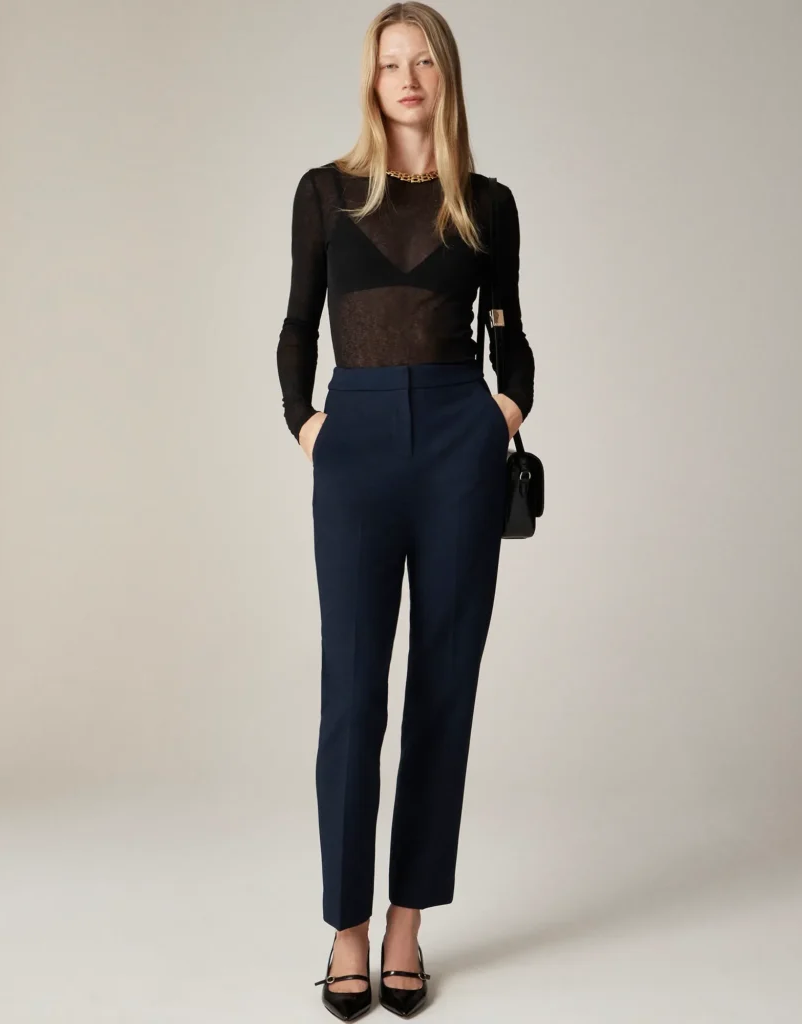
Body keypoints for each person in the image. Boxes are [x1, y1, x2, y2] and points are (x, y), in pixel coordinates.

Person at [276, 3, 535, 1018]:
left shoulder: (488, 202)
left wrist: (502, 411)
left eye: (423, 60)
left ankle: (405, 922)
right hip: (357, 440)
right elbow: (298, 326)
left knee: (442, 689)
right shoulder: (324, 191)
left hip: (459, 445)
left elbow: (510, 333)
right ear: (371, 80)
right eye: (391, 63)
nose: (408, 77)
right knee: (352, 692)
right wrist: (308, 425)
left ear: (445, 75)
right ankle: (344, 922)